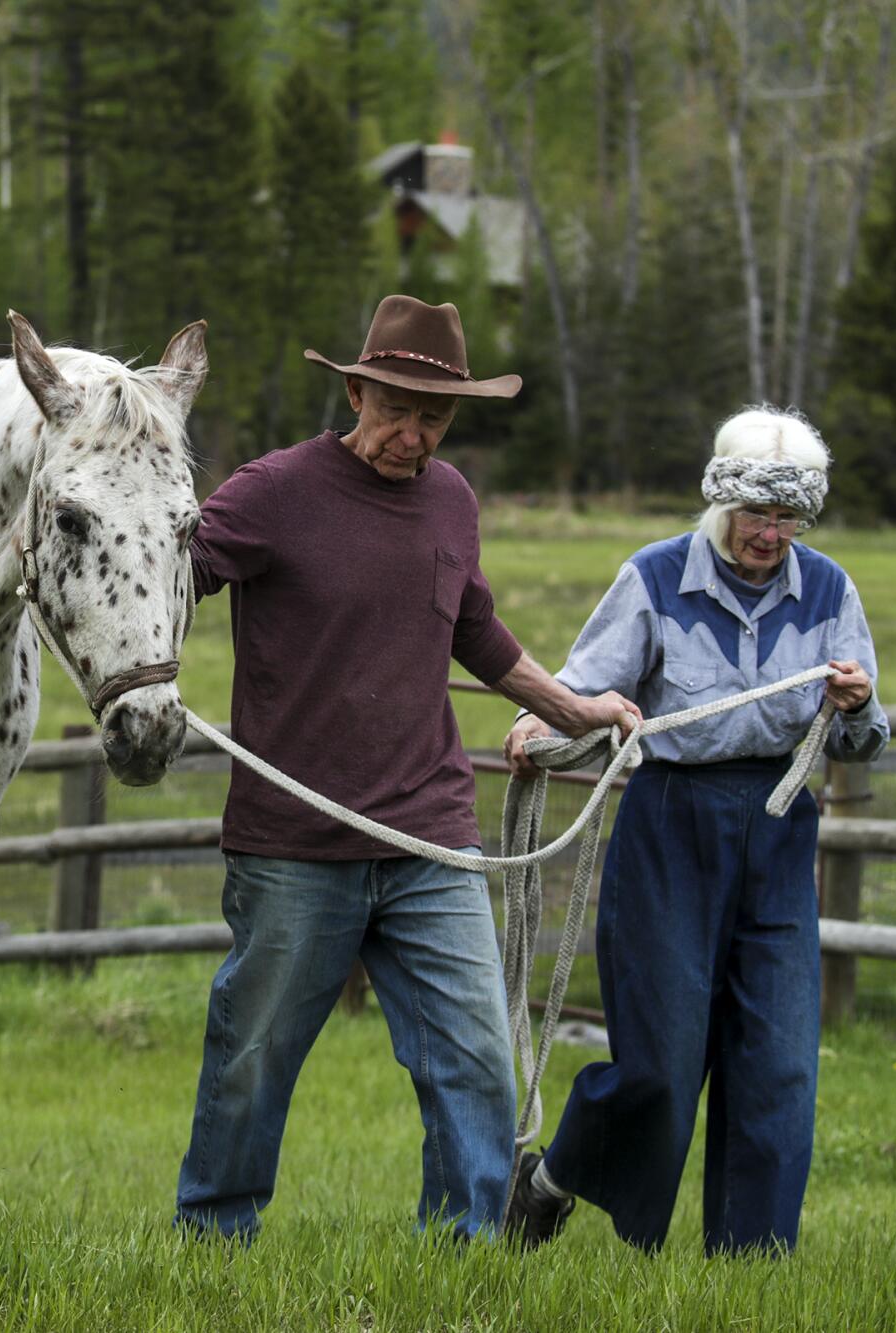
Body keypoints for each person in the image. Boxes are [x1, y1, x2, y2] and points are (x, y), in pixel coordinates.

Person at [174, 295, 640, 1243]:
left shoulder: (452, 500)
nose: (413, 434)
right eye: (396, 408)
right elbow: (163, 576)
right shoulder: (271, 492)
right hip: (294, 843)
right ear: (355, 391)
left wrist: (574, 710)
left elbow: (473, 630)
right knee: (254, 1053)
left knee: (477, 1053)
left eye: (435, 416)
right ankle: (215, 1235)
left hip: (429, 834)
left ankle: (459, 1248)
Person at [501, 406, 889, 1257]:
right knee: (662, 1064)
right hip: (669, 825)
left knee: (780, 1061)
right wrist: (540, 734)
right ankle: (551, 1179)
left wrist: (859, 707)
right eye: (757, 512)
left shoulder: (829, 589)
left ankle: (749, 1261)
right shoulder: (653, 578)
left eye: (789, 516)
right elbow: (580, 693)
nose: (772, 532)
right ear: (722, 502)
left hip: (780, 828)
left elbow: (863, 735)